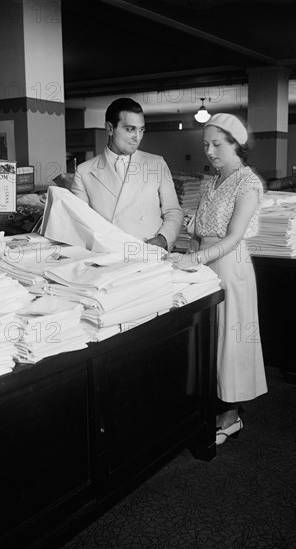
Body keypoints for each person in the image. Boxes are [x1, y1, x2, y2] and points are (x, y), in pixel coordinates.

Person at [168, 113, 268, 445]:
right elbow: (205, 226)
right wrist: (186, 226)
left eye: (217, 144)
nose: (209, 151)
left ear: (236, 143)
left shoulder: (247, 182)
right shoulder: (213, 180)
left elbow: (234, 237)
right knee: (208, 338)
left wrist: (193, 258)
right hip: (206, 263)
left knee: (230, 339)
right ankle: (209, 405)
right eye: (205, 145)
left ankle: (231, 415)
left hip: (229, 265)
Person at [70, 98, 183, 249]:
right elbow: (78, 221)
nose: (137, 137)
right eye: (130, 129)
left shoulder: (157, 164)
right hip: (107, 257)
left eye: (141, 129)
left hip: (149, 254)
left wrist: (163, 239)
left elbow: (173, 211)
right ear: (110, 128)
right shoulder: (84, 171)